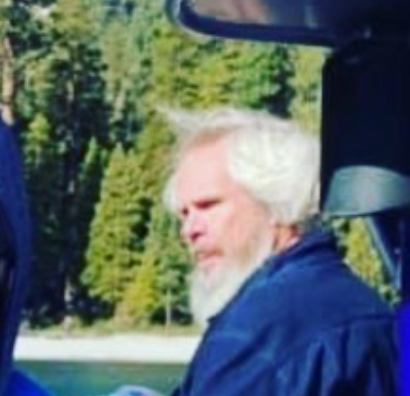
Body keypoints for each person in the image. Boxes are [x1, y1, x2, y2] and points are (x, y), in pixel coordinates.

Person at [163, 107, 397, 396]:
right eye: (184, 213)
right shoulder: (362, 303)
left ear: (276, 202)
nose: (189, 230)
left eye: (208, 206)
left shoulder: (258, 332)